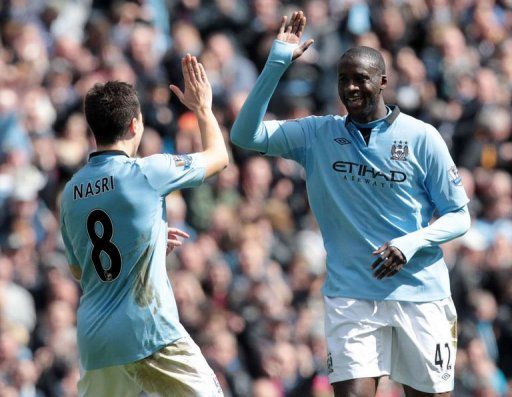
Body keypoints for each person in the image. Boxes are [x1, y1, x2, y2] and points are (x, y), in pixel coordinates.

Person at [230, 11, 471, 397]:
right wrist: (277, 62)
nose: (352, 88)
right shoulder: (317, 134)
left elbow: (459, 216)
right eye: (344, 79)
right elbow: (245, 135)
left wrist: (408, 244)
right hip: (351, 296)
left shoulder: (421, 137)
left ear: (383, 82)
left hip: (420, 294)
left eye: (361, 79)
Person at [60, 55, 227, 397]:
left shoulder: (71, 192)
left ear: (93, 129)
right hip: (147, 330)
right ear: (135, 125)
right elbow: (218, 157)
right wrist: (203, 108)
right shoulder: (147, 172)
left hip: (96, 340)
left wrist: (141, 241)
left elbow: (82, 271)